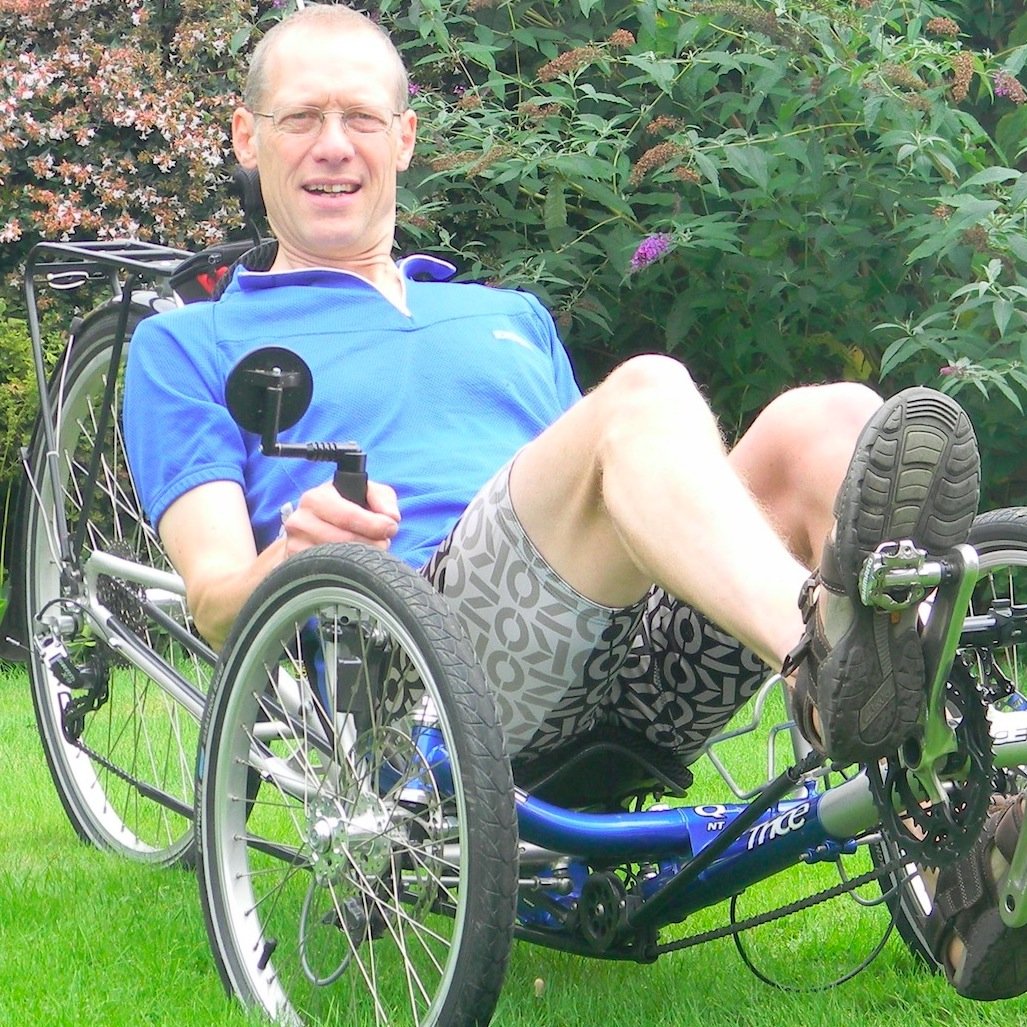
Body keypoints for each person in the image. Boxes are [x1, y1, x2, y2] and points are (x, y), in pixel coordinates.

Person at [122, 2, 1023, 1001]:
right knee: (641, 394)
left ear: (405, 139)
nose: (333, 146)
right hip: (413, 664)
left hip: (622, 661)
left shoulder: (505, 316)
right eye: (300, 118)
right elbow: (210, 595)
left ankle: (949, 836)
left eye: (362, 119)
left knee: (836, 418)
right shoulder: (186, 344)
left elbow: (617, 498)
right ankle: (827, 659)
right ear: (247, 137)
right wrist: (290, 550)